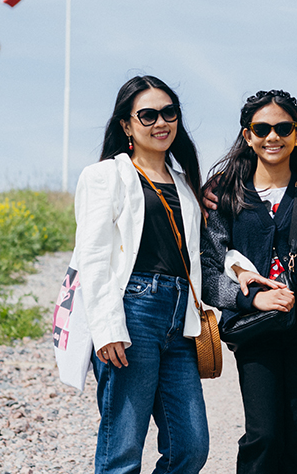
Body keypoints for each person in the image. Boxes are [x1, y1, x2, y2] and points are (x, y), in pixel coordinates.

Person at [200, 89, 297, 474]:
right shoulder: (227, 198)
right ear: (247, 135)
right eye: (262, 128)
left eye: (283, 128)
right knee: (264, 436)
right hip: (256, 334)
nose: (273, 136)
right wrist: (251, 299)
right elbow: (207, 271)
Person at [73, 75, 209, 474]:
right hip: (132, 311)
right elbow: (93, 256)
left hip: (179, 318)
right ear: (126, 125)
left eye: (169, 113)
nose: (160, 122)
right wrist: (107, 327)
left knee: (191, 447)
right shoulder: (105, 176)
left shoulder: (187, 185)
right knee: (123, 448)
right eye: (147, 115)